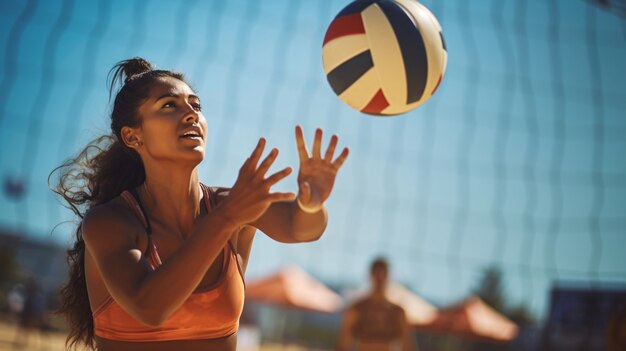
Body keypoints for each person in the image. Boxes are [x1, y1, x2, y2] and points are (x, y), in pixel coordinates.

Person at [52, 57, 349, 351]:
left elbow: (301, 228)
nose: (191, 114)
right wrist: (225, 219)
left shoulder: (230, 205)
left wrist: (311, 203)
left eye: (196, 105)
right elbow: (150, 308)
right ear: (133, 136)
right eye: (169, 105)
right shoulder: (111, 221)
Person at [336, 258, 413, 351]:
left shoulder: (398, 312)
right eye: (376, 273)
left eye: (383, 273)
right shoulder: (357, 309)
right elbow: (343, 344)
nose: (379, 277)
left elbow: (407, 346)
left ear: (388, 276)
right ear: (370, 275)